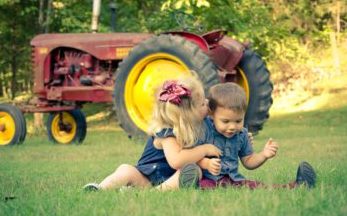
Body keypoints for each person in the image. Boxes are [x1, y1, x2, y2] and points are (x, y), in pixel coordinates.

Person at [83, 73, 222, 191]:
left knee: (192, 171)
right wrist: (205, 149)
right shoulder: (167, 132)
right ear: (188, 113)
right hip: (146, 178)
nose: (208, 102)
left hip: (169, 178)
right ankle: (100, 188)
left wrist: (241, 135)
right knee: (126, 170)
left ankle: (144, 191)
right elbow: (176, 160)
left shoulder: (200, 124)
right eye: (203, 103)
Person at [183, 82, 316, 189]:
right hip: (209, 179)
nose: (232, 127)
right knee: (202, 186)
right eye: (225, 121)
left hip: (234, 181)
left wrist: (264, 154)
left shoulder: (241, 135)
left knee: (257, 187)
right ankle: (190, 186)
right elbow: (191, 156)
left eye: (238, 121)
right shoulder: (204, 129)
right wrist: (206, 163)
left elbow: (248, 162)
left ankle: (298, 185)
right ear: (211, 114)